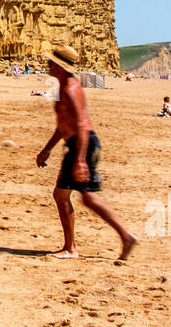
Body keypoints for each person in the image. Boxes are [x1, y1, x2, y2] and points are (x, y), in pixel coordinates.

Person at [36, 44, 137, 261]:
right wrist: (47, 149)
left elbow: (81, 124)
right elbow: (63, 124)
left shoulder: (71, 89)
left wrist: (80, 160)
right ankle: (75, 245)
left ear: (60, 67)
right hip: (77, 144)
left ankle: (79, 247)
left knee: (83, 197)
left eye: (52, 62)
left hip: (83, 144)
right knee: (66, 195)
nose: (48, 65)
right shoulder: (62, 87)